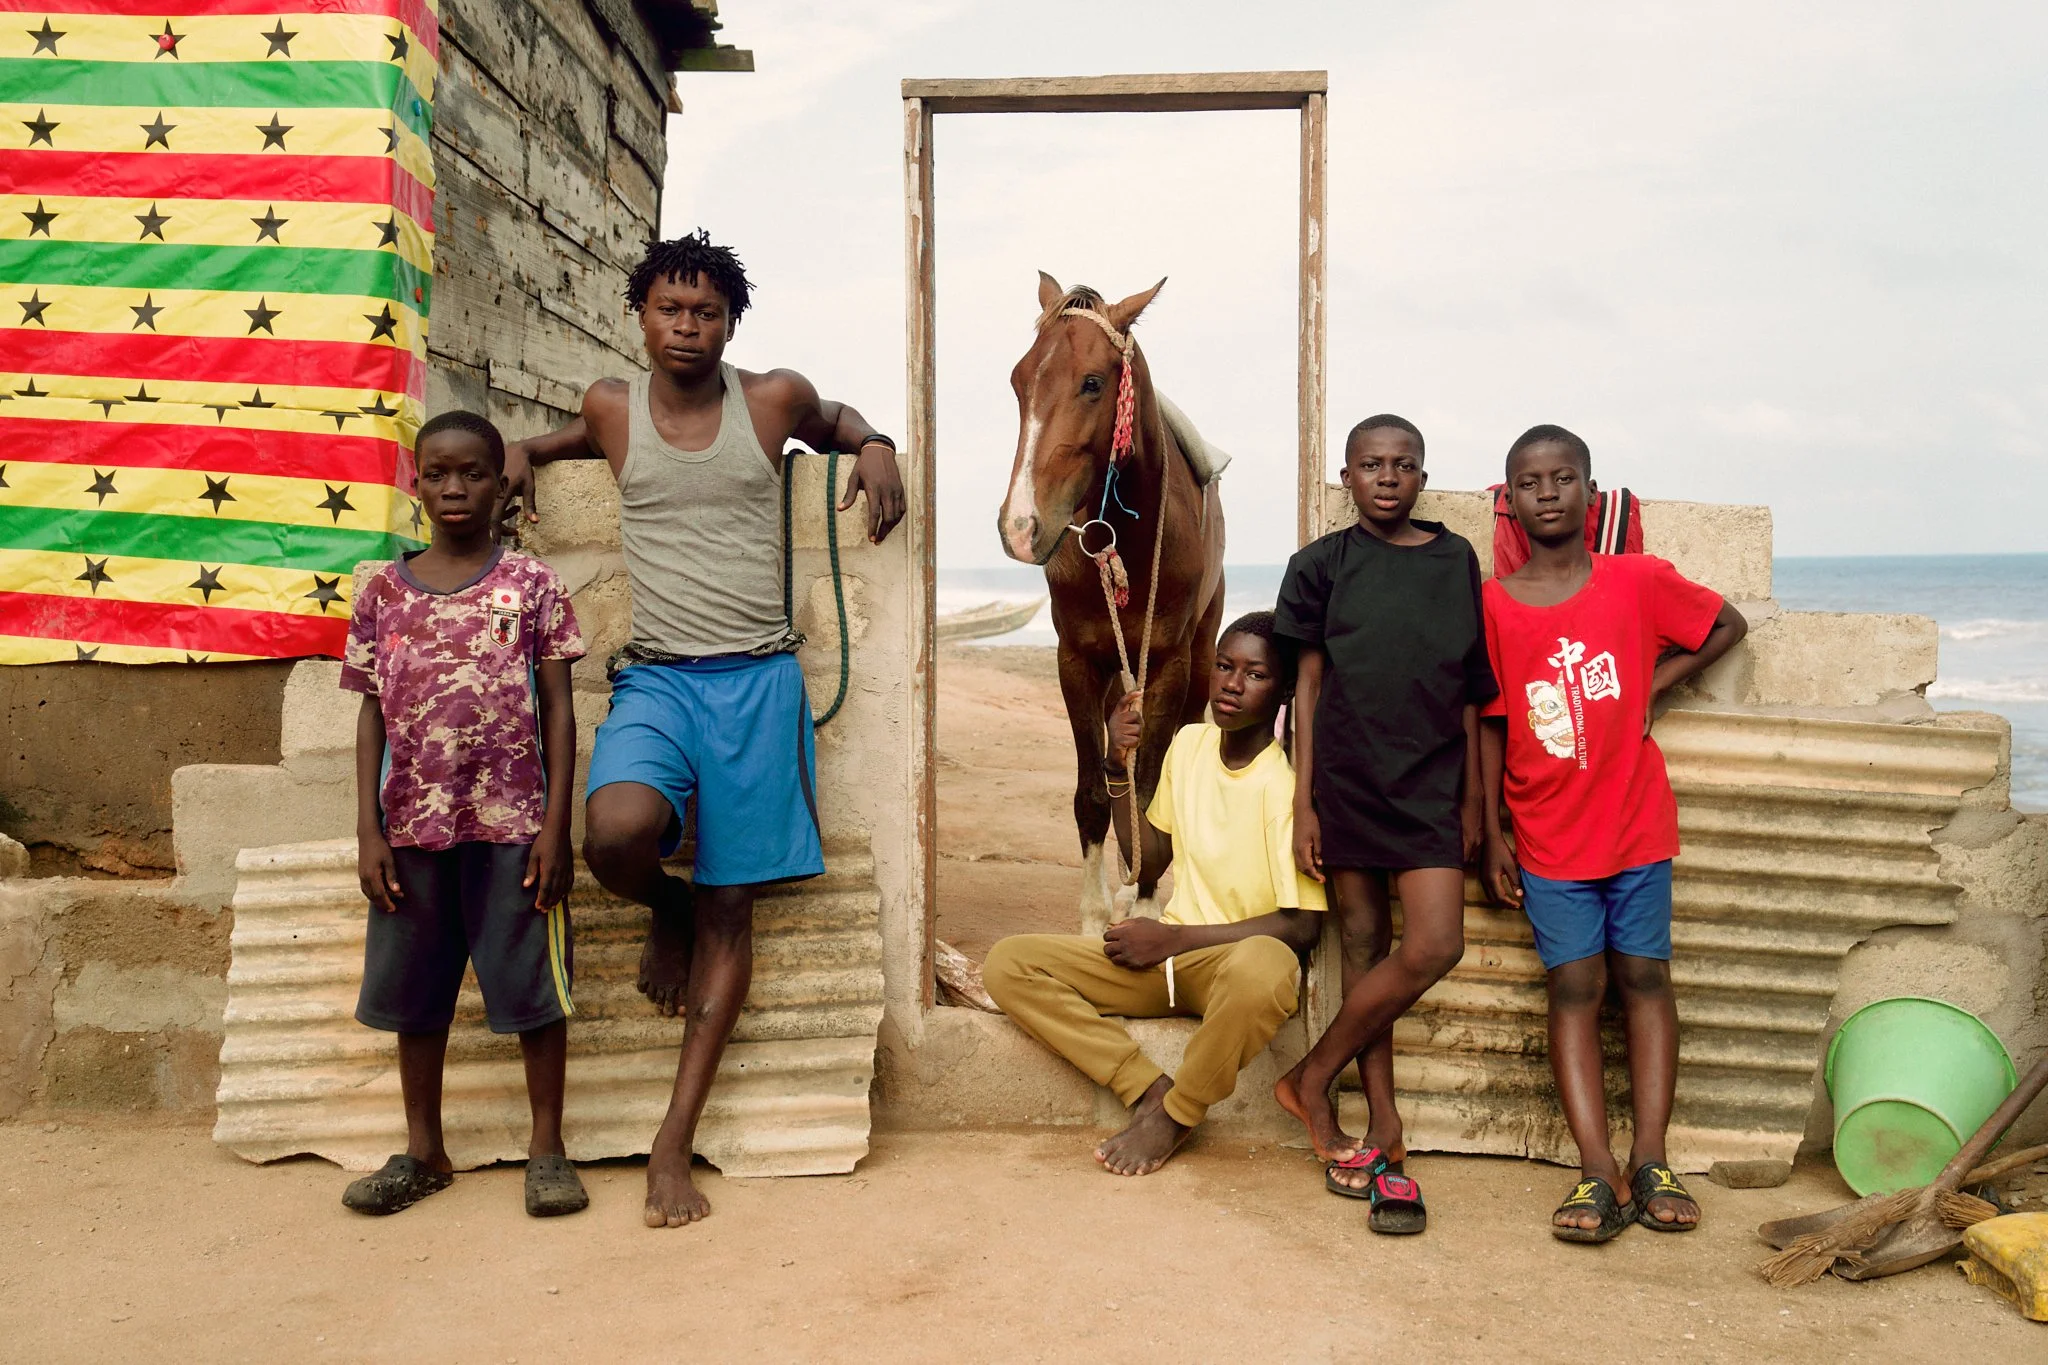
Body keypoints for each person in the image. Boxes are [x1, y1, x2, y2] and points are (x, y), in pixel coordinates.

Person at [501, 231, 905, 1229]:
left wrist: (878, 446)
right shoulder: (611, 406)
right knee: (615, 833)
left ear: (731, 324)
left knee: (734, 909)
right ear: (639, 318)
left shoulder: (767, 401)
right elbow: (555, 445)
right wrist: (513, 452)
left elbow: (838, 420)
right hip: (658, 686)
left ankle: (671, 1144)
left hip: (760, 688)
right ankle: (662, 912)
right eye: (668, 310)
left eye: (706, 313)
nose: (686, 327)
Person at [1478, 423, 1746, 1242]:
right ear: (1511, 500)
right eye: (1531, 481)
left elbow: (1726, 625)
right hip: (1547, 831)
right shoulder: (1491, 605)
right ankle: (1595, 1169)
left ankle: (1651, 1157)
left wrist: (1648, 691)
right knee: (1575, 989)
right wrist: (1490, 832)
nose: (1549, 492)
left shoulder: (1635, 580)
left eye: (1565, 478)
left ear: (1591, 494)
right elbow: (1486, 723)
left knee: (1645, 978)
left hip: (1634, 823)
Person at [339, 411, 587, 1219]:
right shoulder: (381, 587)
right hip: (413, 826)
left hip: (513, 826)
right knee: (415, 990)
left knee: (530, 988)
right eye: (439, 472)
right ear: (416, 482)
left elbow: (559, 708)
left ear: (499, 481)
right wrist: (368, 830)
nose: (455, 487)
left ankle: (547, 1149)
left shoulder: (533, 583)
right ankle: (424, 1149)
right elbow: (370, 713)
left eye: (473, 473)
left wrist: (555, 826)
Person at [983, 613, 1326, 1176]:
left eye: (1254, 673)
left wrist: (1172, 938)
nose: (1231, 684)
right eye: (1222, 666)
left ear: (1284, 689)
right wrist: (1117, 766)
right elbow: (1152, 857)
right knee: (1009, 963)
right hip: (1167, 962)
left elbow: (1303, 928)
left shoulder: (1282, 786)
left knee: (1266, 968)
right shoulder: (1191, 744)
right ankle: (1145, 1087)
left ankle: (1178, 1113)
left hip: (1229, 966)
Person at [1270, 414, 1497, 1235]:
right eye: (1372, 465)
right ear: (1348, 478)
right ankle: (1384, 1126)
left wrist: (1475, 803)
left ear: (1423, 476)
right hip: (1349, 780)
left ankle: (1311, 1073)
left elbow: (1474, 688)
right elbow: (1305, 686)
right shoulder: (1322, 566)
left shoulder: (1454, 561)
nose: (1388, 478)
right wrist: (1304, 801)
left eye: (1403, 465)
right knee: (1363, 950)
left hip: (1432, 784)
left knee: (1434, 943)